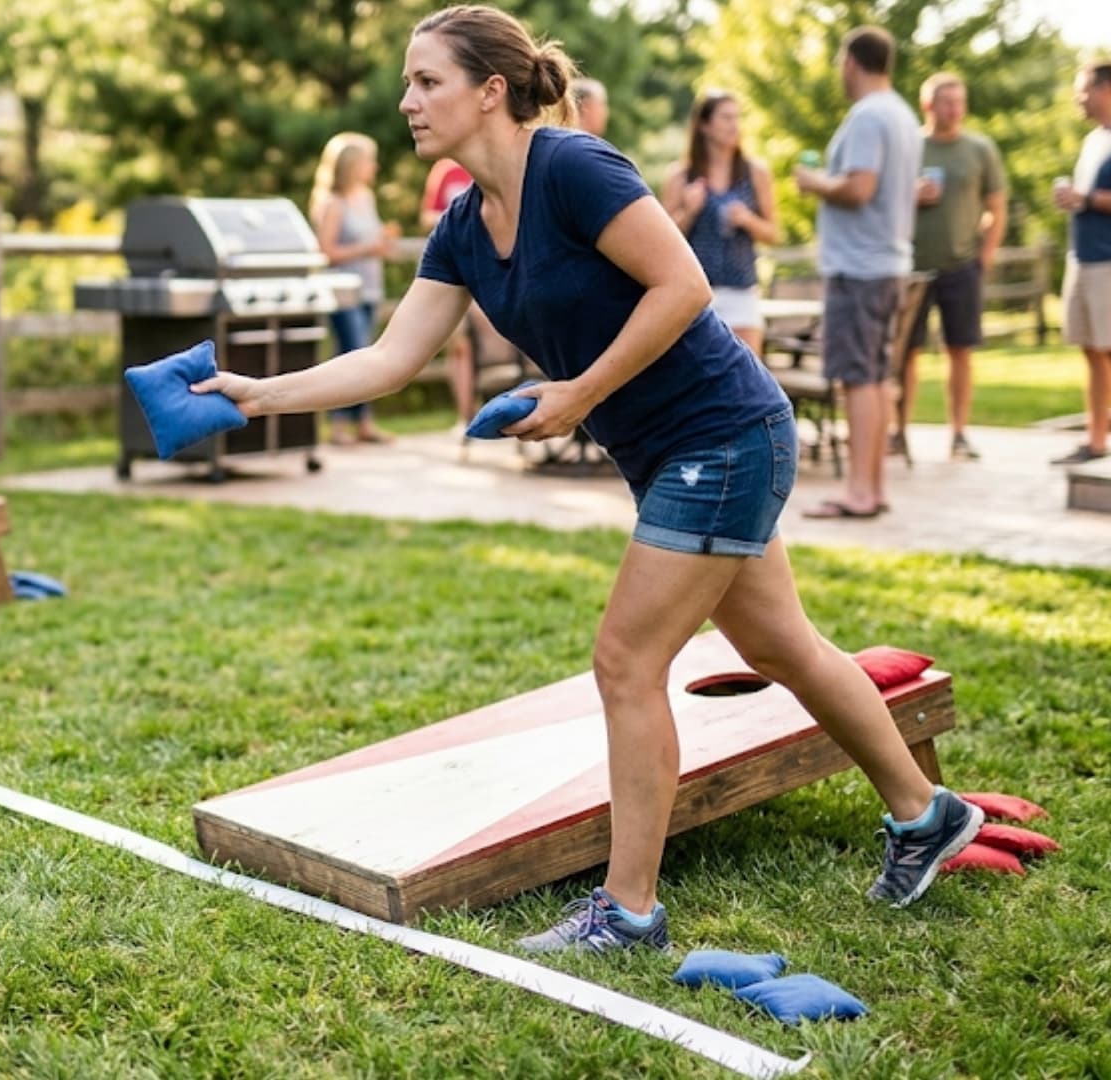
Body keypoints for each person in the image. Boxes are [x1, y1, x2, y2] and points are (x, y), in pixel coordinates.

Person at [193, 4, 978, 954]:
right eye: (407, 83)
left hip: (724, 433)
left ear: (491, 91)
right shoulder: (462, 226)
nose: (407, 100)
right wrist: (252, 395)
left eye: (426, 81)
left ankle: (631, 911)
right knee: (787, 649)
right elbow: (392, 359)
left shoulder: (573, 166)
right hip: (668, 452)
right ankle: (926, 815)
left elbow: (683, 284)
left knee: (626, 662)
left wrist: (577, 394)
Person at [794, 26, 922, 519]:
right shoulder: (903, 114)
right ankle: (875, 487)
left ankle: (860, 492)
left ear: (851, 62)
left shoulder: (869, 116)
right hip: (887, 263)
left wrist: (814, 182)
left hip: (861, 268)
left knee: (858, 380)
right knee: (875, 377)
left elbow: (860, 187)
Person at [898, 73, 1006, 462]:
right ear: (928, 105)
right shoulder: (909, 146)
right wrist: (911, 195)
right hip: (910, 268)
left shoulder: (980, 149)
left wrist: (985, 258)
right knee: (904, 353)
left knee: (960, 352)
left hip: (962, 268)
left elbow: (997, 207)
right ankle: (899, 432)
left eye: (960, 100)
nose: (955, 108)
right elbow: (885, 200)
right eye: (947, 101)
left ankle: (959, 433)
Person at [661, 90, 782, 357]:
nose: (734, 125)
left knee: (749, 381)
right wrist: (689, 211)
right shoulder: (681, 176)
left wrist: (748, 220)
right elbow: (662, 239)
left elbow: (774, 233)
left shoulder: (755, 172)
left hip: (742, 291)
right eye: (726, 118)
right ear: (705, 125)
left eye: (737, 118)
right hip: (694, 294)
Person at [311, 133, 401, 445]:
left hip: (370, 288)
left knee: (366, 353)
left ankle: (363, 423)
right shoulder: (333, 203)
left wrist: (381, 244)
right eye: (368, 161)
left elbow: (369, 242)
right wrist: (366, 248)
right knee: (351, 354)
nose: (373, 167)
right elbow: (326, 252)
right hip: (344, 292)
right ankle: (337, 425)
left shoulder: (366, 197)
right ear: (352, 165)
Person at [1052, 63, 1111, 466]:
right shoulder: (1093, 140)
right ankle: (1095, 441)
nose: (1078, 98)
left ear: (1106, 89)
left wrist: (1085, 200)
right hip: (1082, 258)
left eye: (1083, 90)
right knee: (1091, 351)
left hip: (1108, 262)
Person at [422, 157, 479, 437]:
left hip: (485, 273)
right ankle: (464, 415)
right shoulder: (447, 171)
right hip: (457, 275)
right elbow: (427, 216)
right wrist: (462, 217)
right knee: (460, 348)